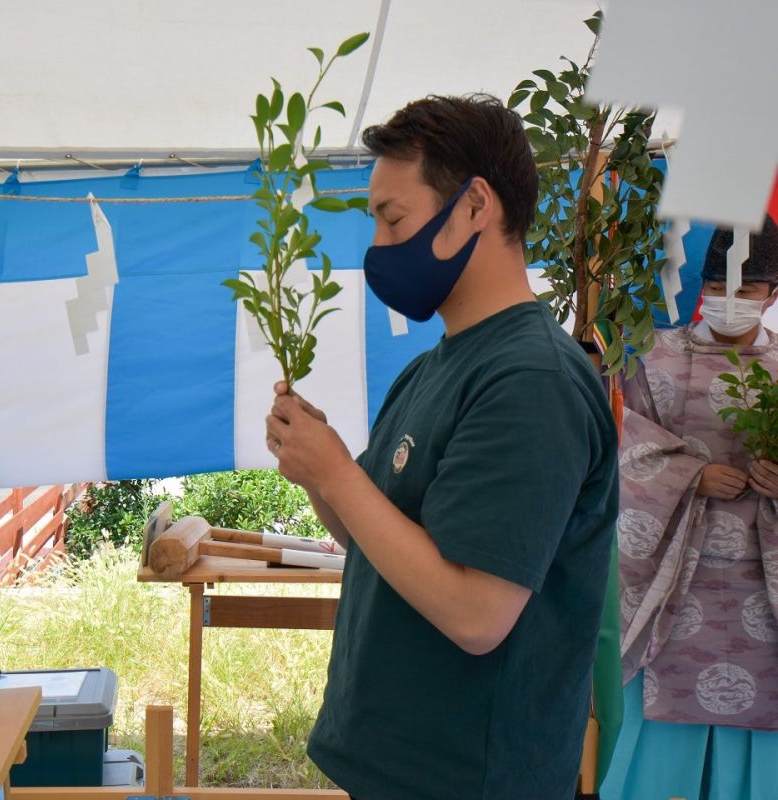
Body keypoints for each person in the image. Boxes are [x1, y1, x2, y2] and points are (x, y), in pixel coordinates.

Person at [263, 94, 619, 800]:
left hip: (468, 778)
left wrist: (337, 472)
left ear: (475, 205)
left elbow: (476, 614)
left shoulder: (530, 381)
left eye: (393, 217)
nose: (380, 245)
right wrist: (319, 469)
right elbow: (375, 534)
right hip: (398, 770)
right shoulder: (438, 365)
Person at [600, 218, 778, 800]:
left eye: (748, 290)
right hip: (676, 582)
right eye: (720, 286)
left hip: (765, 587)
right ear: (702, 285)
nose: (732, 301)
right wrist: (691, 473)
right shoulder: (654, 357)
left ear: (772, 294)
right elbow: (624, 452)